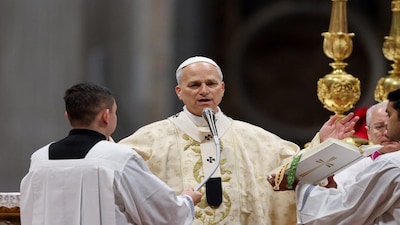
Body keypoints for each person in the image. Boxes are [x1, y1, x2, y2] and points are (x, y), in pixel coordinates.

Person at [118, 56, 358, 225]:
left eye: (211, 84)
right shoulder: (150, 141)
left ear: (222, 88)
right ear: (179, 92)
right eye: (194, 85)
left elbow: (291, 171)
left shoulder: (257, 140)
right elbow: (112, 169)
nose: (204, 90)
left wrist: (321, 144)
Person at [20, 82, 202, 225]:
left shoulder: (39, 159)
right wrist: (186, 201)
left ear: (68, 116)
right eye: (115, 112)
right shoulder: (118, 159)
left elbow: (29, 214)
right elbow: (162, 213)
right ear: (106, 116)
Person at [269, 89, 400, 225]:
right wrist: (331, 188)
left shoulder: (391, 164)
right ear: (369, 131)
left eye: (389, 116)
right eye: (379, 126)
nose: (386, 130)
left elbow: (344, 213)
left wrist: (300, 186)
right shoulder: (354, 164)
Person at [333, 101, 400, 187]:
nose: (387, 133)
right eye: (379, 126)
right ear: (368, 133)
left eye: (393, 126)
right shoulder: (354, 169)